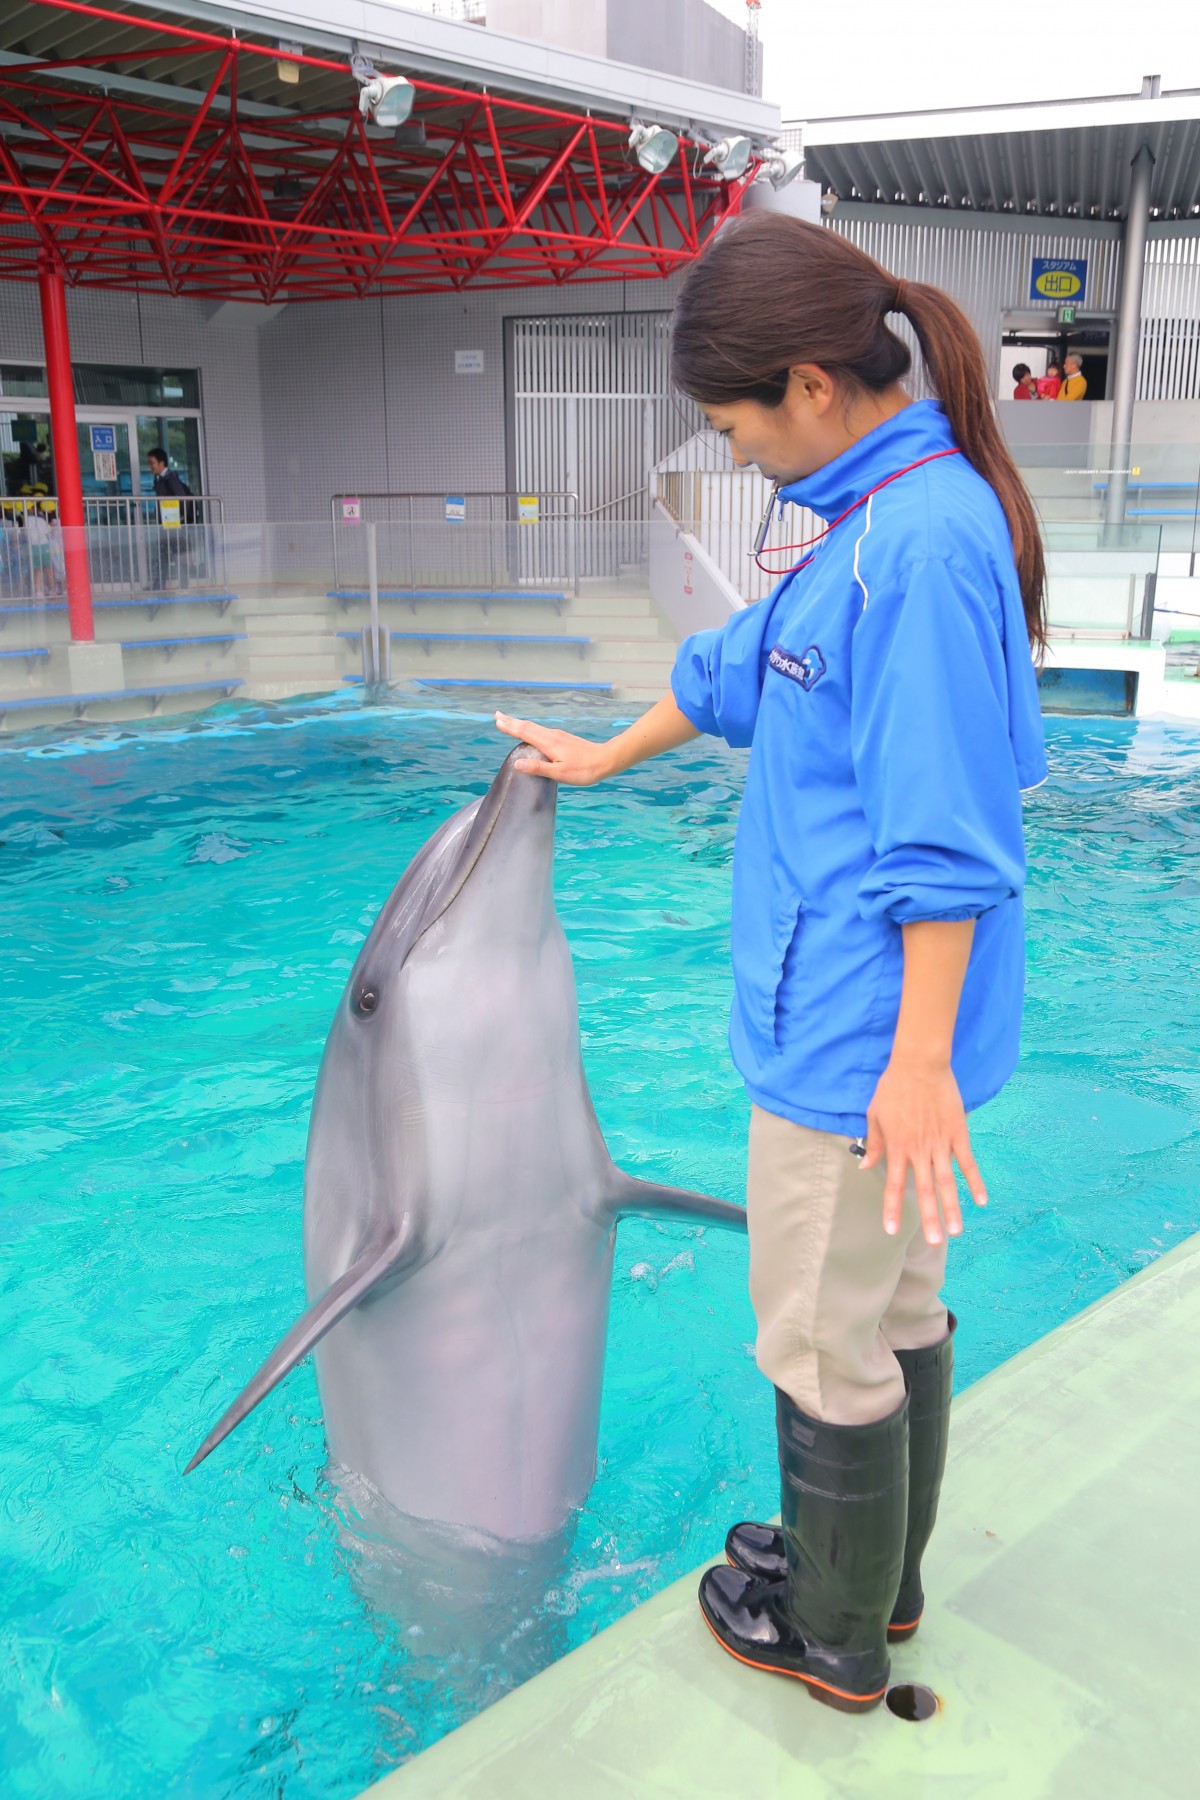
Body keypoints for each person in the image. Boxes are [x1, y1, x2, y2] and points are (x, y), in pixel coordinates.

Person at [495, 213, 1047, 1714]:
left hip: (857, 1043)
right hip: (881, 1028)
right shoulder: (882, 520)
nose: (737, 454)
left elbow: (946, 838)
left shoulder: (912, 552)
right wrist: (609, 753)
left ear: (811, 386)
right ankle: (880, 1577)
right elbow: (751, 672)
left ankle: (835, 1635)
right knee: (896, 1307)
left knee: (819, 1338)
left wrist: (914, 1068)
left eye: (737, 424)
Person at [146, 447, 192, 589]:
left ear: (162, 463)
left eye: (152, 463)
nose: (151, 466)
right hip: (166, 525)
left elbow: (182, 499)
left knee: (178, 556)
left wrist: (180, 520)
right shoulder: (159, 479)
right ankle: (159, 585)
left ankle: (183, 586)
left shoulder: (170, 479)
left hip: (174, 525)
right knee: (163, 557)